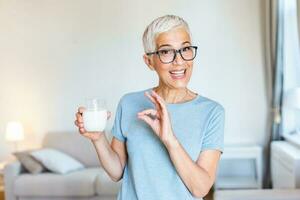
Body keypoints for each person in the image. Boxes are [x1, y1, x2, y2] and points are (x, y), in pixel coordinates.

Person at [74, 15, 225, 200]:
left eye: (185, 49)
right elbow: (116, 172)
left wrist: (170, 140)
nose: (179, 61)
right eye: (166, 52)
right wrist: (98, 139)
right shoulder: (129, 103)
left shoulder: (211, 112)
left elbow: (200, 189)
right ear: (149, 61)